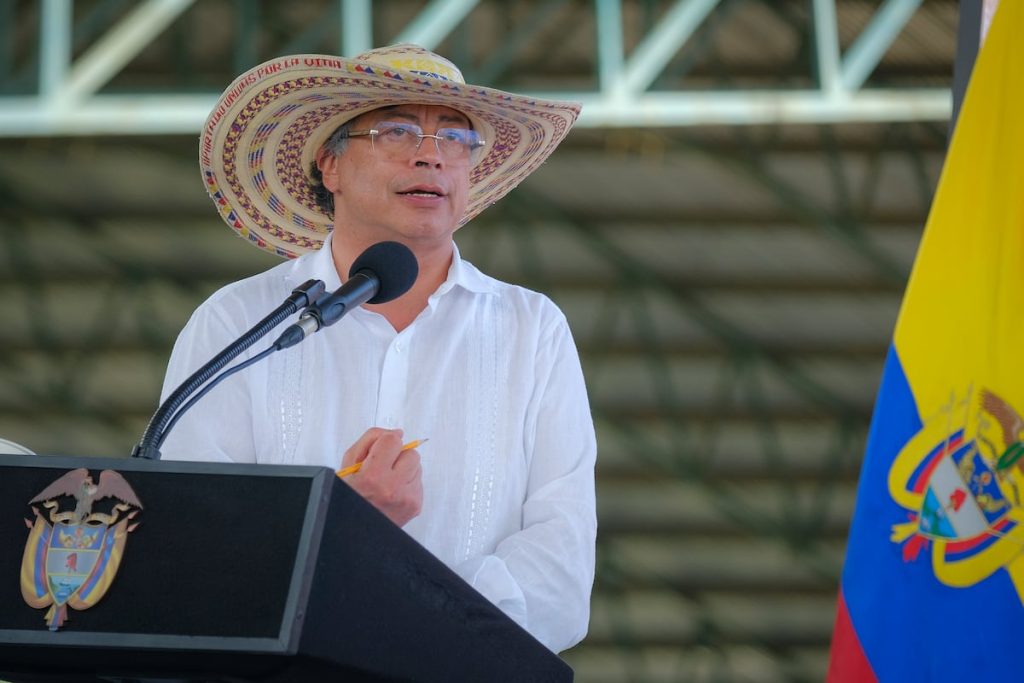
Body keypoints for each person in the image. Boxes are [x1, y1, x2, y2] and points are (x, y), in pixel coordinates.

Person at [159, 44, 596, 653]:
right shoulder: (238, 323)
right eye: (397, 131)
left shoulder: (533, 329)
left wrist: (394, 611)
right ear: (329, 166)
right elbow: (191, 548)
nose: (430, 154)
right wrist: (341, 530)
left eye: (455, 138)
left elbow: (561, 574)